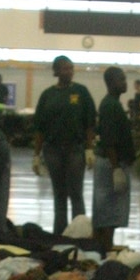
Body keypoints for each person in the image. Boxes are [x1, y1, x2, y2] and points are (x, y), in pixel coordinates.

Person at [34, 55, 97, 234]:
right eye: (64, 68)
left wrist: (89, 149)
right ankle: (60, 235)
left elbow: (90, 122)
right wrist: (36, 155)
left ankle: (81, 233)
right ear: (55, 71)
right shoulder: (47, 95)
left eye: (71, 68)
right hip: (52, 150)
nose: (69, 72)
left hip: (75, 150)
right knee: (59, 195)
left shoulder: (81, 92)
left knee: (76, 193)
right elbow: (39, 127)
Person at [92, 64, 135, 254]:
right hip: (111, 164)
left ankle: (103, 249)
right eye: (121, 79)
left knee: (109, 210)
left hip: (113, 163)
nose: (125, 83)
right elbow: (109, 140)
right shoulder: (110, 105)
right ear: (110, 83)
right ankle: (104, 250)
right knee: (107, 211)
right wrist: (116, 167)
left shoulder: (114, 104)